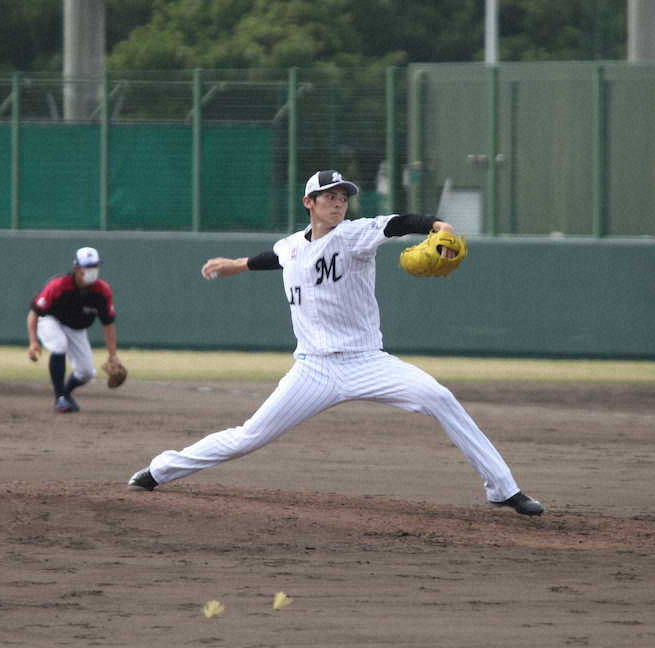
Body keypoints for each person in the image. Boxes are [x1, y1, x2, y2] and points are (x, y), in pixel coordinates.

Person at [127, 169, 543, 516]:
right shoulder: (291, 246)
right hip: (313, 368)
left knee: (439, 397)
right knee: (249, 436)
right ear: (309, 202)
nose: (338, 201)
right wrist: (236, 265)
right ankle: (160, 470)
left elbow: (399, 223)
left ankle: (503, 489)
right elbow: (275, 257)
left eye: (343, 195)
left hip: (368, 362)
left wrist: (440, 227)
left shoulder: (356, 235)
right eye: (329, 195)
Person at [27, 247, 120, 413]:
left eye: (95, 266)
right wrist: (33, 342)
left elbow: (108, 324)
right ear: (76, 268)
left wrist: (113, 355)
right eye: (88, 267)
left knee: (86, 372)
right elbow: (34, 313)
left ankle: (66, 393)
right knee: (59, 345)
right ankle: (59, 398)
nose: (92, 270)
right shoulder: (58, 286)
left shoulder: (102, 290)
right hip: (50, 320)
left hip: (76, 328)